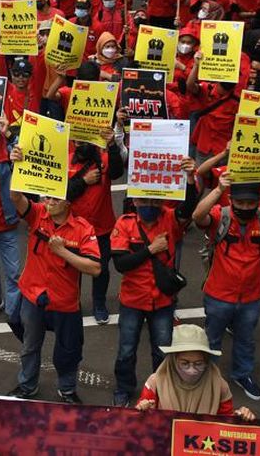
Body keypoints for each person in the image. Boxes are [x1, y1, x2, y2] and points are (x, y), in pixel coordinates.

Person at [192, 169, 260, 401]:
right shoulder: (220, 215)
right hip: (218, 295)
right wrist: (219, 189)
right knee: (211, 338)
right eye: (239, 202)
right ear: (231, 201)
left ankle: (242, 374)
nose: (245, 207)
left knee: (245, 339)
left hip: (251, 296)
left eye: (250, 202)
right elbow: (198, 216)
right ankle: (205, 378)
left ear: (258, 202)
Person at [109, 164, 198, 408]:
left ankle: (160, 392)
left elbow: (188, 207)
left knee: (162, 352)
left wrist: (190, 179)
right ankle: (124, 389)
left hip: (162, 302)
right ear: (134, 200)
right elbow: (120, 264)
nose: (149, 205)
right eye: (144, 200)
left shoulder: (170, 218)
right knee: (126, 351)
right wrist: (150, 250)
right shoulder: (124, 224)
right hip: (132, 300)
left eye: (154, 200)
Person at [7, 191, 101, 402]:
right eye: (46, 197)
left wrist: (62, 251)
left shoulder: (83, 229)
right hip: (33, 297)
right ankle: (27, 385)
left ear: (68, 203)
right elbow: (15, 197)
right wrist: (17, 165)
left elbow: (95, 268)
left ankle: (67, 389)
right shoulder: (38, 214)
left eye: (55, 199)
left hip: (64, 302)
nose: (48, 203)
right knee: (29, 347)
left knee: (68, 351)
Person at [135, 324, 257, 421]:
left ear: (207, 361)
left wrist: (240, 417)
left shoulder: (220, 386)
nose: (192, 370)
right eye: (185, 363)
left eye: (199, 364)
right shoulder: (155, 382)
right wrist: (143, 408)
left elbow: (226, 420)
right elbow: (140, 414)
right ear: (173, 360)